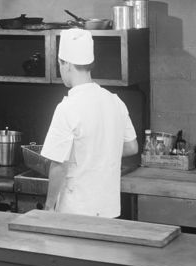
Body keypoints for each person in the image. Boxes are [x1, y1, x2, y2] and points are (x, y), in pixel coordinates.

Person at [40, 28, 138, 218]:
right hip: (109, 210)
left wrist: (49, 207)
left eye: (60, 64)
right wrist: (99, 151)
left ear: (65, 64)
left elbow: (58, 165)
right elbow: (131, 146)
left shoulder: (67, 107)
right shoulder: (115, 101)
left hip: (76, 212)